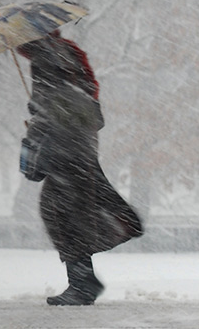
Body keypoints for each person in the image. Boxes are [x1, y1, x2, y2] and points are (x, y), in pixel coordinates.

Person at [16, 30, 145, 306]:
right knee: (74, 212)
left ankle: (83, 284)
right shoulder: (66, 52)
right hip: (80, 145)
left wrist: (38, 121)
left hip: (64, 147)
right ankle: (85, 279)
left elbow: (53, 102)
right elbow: (83, 102)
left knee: (61, 214)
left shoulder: (44, 56)